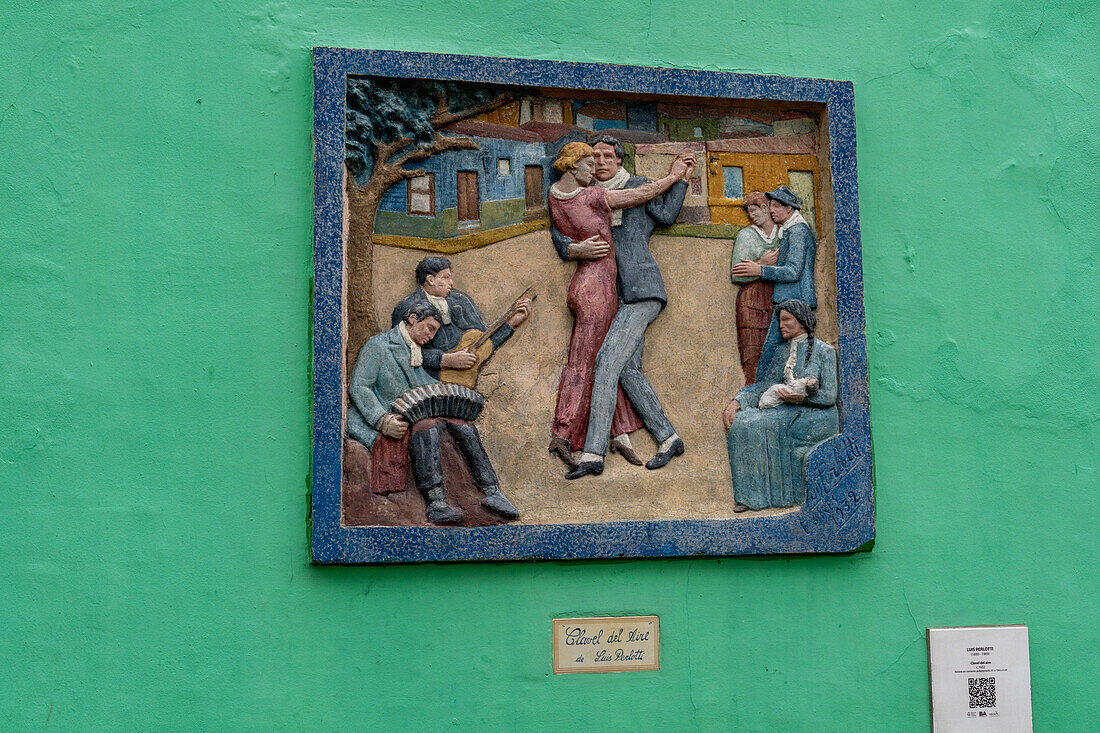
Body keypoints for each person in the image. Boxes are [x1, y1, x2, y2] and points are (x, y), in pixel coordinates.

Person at [546, 140, 693, 475]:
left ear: (619, 160)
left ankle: (593, 455)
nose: (599, 162)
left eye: (607, 156)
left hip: (641, 290)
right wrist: (573, 249)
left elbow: (666, 215)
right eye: (594, 156)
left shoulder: (636, 185)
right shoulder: (584, 192)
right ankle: (669, 438)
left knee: (606, 363)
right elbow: (559, 230)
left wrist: (678, 179)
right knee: (627, 371)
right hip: (613, 294)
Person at [347, 301, 519, 524]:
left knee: (462, 424)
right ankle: (436, 501)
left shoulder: (414, 350)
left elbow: (424, 384)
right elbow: (359, 387)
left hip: (413, 411)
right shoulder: (378, 345)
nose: (431, 337)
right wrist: (382, 420)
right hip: (389, 417)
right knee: (426, 426)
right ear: (412, 320)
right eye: (429, 328)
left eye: (435, 331)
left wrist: (450, 394)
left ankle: (492, 491)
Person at [722, 299, 838, 512]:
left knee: (759, 425)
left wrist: (801, 399)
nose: (781, 325)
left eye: (786, 320)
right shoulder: (781, 352)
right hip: (784, 408)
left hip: (812, 414)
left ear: (802, 321)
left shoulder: (824, 351)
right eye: (780, 320)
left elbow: (829, 396)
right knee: (742, 423)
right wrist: (738, 401)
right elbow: (764, 386)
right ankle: (750, 497)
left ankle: (777, 497)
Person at [391, 256, 532, 380]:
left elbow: (485, 341)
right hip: (428, 381)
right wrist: (446, 360)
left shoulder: (460, 301)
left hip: (464, 381)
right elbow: (400, 352)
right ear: (430, 280)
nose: (451, 283)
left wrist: (512, 322)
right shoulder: (406, 307)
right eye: (446, 277)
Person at [731, 185, 817, 383]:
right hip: (785, 301)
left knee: (773, 355)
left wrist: (759, 269)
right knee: (770, 355)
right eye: (771, 205)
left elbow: (794, 271)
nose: (772, 210)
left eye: (776, 206)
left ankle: (759, 393)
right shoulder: (790, 231)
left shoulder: (796, 232)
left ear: (789, 209)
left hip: (793, 301)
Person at [730, 191, 781, 384]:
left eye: (755, 210)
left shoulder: (783, 232)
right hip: (751, 299)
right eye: (749, 212)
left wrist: (759, 267)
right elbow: (736, 273)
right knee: (752, 349)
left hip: (776, 296)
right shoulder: (746, 235)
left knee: (776, 346)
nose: (752, 215)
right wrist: (761, 263)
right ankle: (752, 387)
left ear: (766, 208)